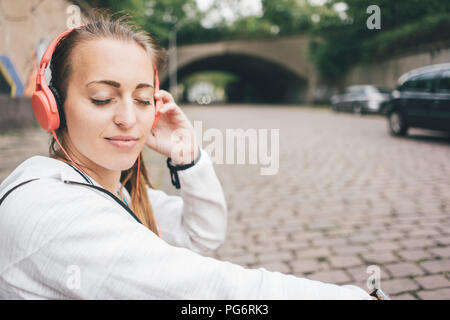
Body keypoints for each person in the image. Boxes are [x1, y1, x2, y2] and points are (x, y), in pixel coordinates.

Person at [0, 13, 372, 300]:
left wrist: (187, 157)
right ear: (52, 107)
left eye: (143, 99)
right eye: (102, 98)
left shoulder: (117, 192)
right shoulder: (54, 211)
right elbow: (213, 290)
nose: (129, 119)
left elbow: (202, 238)